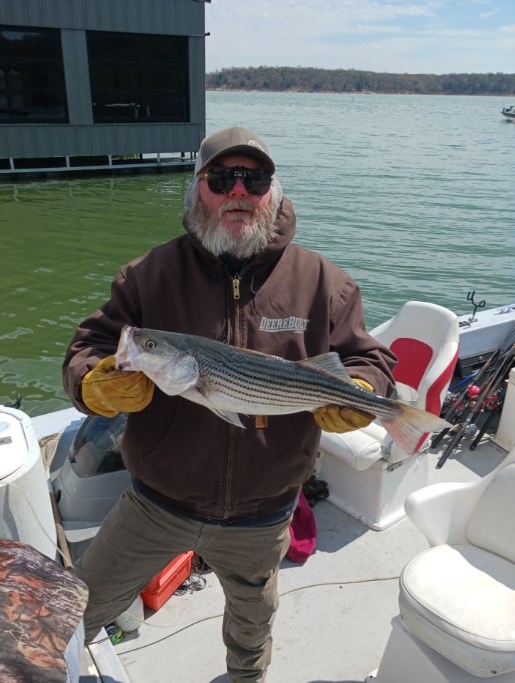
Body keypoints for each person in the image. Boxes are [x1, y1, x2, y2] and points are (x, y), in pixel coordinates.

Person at [62, 126, 397, 682]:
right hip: (155, 502)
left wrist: (364, 392)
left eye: (254, 178)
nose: (237, 191)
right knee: (78, 609)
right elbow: (88, 349)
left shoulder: (324, 283)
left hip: (263, 511)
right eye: (221, 178)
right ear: (198, 191)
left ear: (273, 191)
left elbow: (369, 360)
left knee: (251, 624)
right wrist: (92, 382)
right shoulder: (148, 276)